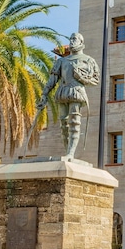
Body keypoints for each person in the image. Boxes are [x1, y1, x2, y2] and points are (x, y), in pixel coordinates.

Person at [36, 32, 100, 160]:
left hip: (77, 92)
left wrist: (81, 78)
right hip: (63, 93)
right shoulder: (62, 61)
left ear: (81, 42)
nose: (71, 41)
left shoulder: (88, 60)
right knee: (63, 123)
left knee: (74, 122)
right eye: (70, 39)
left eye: (74, 39)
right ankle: (68, 153)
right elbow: (53, 79)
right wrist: (44, 94)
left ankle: (71, 153)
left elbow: (96, 80)